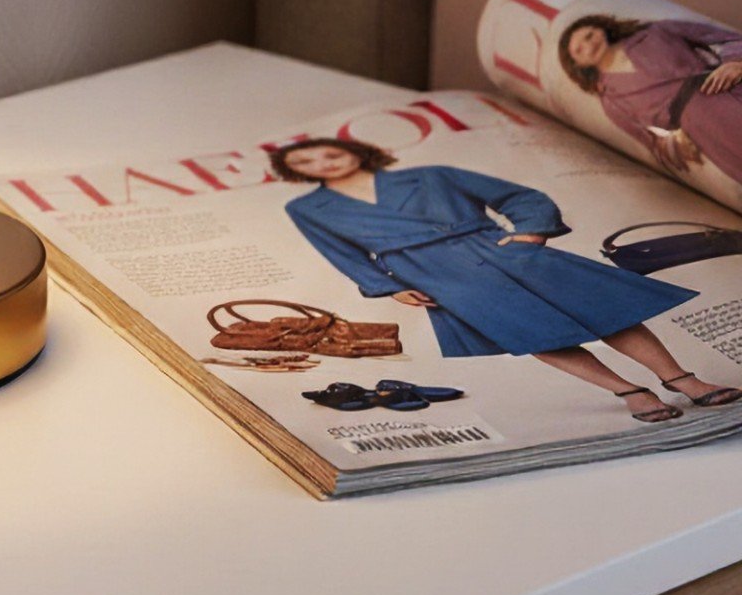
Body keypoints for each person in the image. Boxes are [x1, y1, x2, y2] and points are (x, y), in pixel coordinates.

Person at [273, 137, 741, 422]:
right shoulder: (308, 209)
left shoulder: (432, 174)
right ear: (294, 172)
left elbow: (521, 197)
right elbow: (341, 253)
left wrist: (529, 233)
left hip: (498, 249)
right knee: (536, 334)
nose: (323, 164)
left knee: (606, 312)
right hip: (434, 274)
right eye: (308, 163)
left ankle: (681, 379)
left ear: (353, 150)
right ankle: (630, 391)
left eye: (329, 153)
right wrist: (389, 287)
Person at [558, 14, 742, 182]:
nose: (590, 46)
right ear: (576, 64)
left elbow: (729, 38)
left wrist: (734, 62)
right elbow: (653, 144)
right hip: (707, 133)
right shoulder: (611, 100)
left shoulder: (656, 31)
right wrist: (674, 145)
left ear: (601, 28)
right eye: (579, 50)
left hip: (722, 90)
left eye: (590, 35)